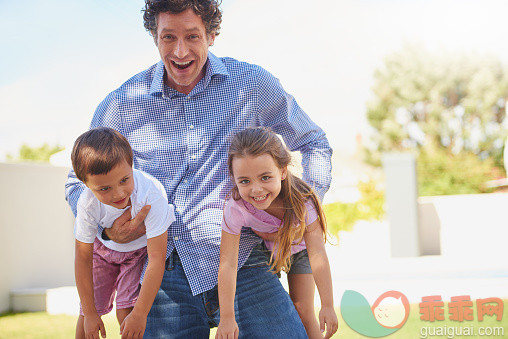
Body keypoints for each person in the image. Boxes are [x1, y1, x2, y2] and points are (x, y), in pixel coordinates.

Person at [65, 0, 333, 337]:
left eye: (192, 36)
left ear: (211, 34)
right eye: (168, 37)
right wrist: (110, 227)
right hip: (161, 274)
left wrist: (297, 208)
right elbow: (77, 182)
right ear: (154, 36)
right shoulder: (122, 104)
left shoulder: (251, 85)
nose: (180, 51)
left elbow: (314, 142)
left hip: (244, 264)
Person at [217, 127, 338, 339]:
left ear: (282, 171)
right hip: (266, 251)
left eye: (265, 177)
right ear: (234, 178)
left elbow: (317, 254)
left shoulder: (303, 202)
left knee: (303, 310)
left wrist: (327, 304)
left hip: (301, 250)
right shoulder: (235, 207)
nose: (256, 190)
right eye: (245, 181)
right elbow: (228, 263)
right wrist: (226, 317)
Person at [71, 127, 175, 339]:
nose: (118, 193)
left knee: (127, 312)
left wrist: (141, 314)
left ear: (132, 165)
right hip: (103, 252)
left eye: (124, 180)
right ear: (86, 184)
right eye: (104, 189)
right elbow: (83, 258)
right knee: (87, 316)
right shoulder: (87, 203)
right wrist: (91, 313)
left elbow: (157, 258)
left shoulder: (151, 193)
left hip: (137, 255)